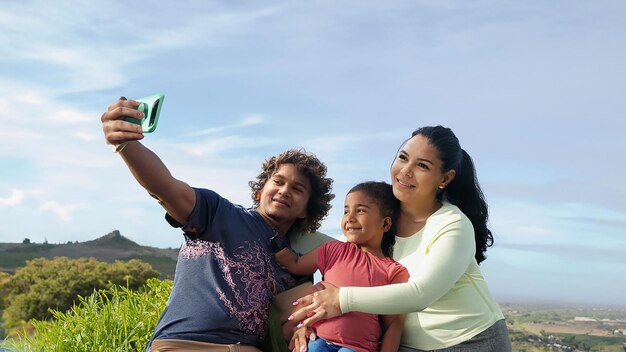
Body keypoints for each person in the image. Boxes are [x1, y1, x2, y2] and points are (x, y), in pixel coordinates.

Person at [100, 97, 335, 352]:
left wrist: (303, 329)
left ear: (305, 212)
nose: (284, 191)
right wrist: (126, 144)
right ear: (260, 191)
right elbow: (164, 187)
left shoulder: (297, 264)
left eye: (297, 189)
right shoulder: (217, 213)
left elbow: (294, 321)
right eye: (277, 182)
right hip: (184, 345)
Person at [289, 126, 512, 351]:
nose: (405, 171)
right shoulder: (380, 217)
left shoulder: (452, 224)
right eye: (403, 158)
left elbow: (420, 293)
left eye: (422, 166)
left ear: (445, 178)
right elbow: (339, 252)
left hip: (469, 341)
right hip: (404, 345)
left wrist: (339, 300)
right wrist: (309, 323)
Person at [275, 181, 409, 352]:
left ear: (385, 224)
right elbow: (296, 264)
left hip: (357, 348)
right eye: (346, 211)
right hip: (318, 338)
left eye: (360, 210)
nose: (350, 217)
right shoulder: (333, 249)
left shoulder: (394, 271)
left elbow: (393, 325)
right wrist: (272, 248)